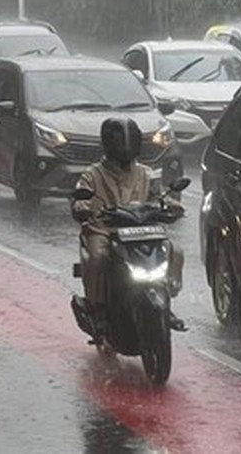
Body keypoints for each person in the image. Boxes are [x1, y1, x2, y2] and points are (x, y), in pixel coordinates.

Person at [73, 117, 186, 331]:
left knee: (175, 250)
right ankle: (96, 308)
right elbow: (80, 197)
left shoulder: (145, 173)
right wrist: (82, 206)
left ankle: (166, 300)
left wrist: (171, 205)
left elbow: (159, 195)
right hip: (105, 231)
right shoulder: (92, 174)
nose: (124, 149)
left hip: (142, 232)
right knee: (97, 257)